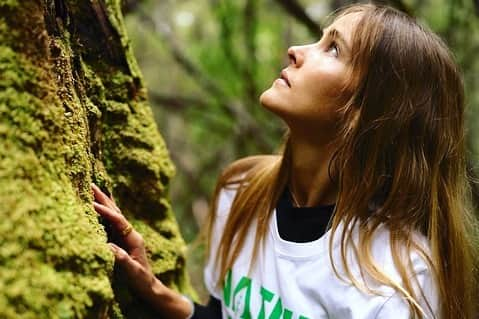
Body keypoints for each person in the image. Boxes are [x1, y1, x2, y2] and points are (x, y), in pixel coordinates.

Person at [92, 3, 478, 319]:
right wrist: (157, 292)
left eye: (333, 48)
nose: (297, 50)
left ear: (371, 109)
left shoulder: (399, 279)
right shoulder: (241, 192)